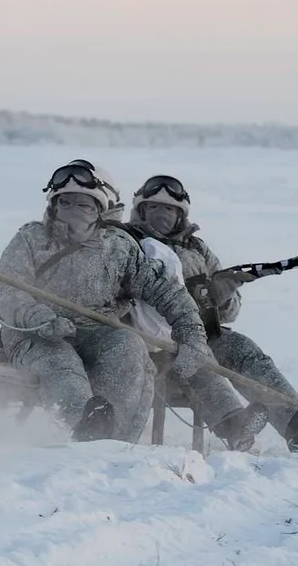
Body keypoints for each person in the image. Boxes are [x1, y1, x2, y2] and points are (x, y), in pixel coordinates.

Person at [0, 159, 268, 449]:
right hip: (35, 333)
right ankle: (80, 429)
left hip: (98, 330)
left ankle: (116, 444)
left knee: (128, 345)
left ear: (99, 209)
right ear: (53, 205)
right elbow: (8, 288)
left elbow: (167, 292)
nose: (74, 210)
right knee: (61, 361)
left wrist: (192, 335)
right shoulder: (29, 239)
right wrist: (38, 317)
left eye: (84, 205)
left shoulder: (119, 247)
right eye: (66, 202)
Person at [127, 174, 298, 451]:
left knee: (242, 348)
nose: (161, 214)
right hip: (153, 342)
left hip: (204, 333)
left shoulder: (197, 248)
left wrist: (223, 295)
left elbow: (229, 314)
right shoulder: (128, 242)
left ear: (180, 214)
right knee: (196, 358)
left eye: (169, 208)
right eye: (153, 207)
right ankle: (235, 427)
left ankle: (294, 423)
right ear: (141, 210)